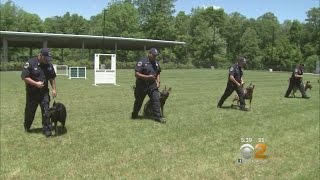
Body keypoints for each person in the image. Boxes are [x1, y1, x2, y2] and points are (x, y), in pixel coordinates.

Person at [21, 48, 57, 136]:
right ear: (40, 55)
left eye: (48, 59)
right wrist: (35, 83)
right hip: (32, 94)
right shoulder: (30, 63)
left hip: (44, 93)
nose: (47, 61)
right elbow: (24, 77)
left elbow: (52, 78)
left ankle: (47, 130)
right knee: (30, 112)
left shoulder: (49, 65)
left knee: (46, 111)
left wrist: (54, 89)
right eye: (45, 58)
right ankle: (27, 126)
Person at [131, 48, 165, 123]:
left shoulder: (156, 63)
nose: (155, 57)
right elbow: (136, 74)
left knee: (156, 100)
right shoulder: (142, 61)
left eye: (156, 55)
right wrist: (148, 77)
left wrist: (158, 81)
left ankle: (158, 117)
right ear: (149, 54)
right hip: (141, 85)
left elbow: (158, 72)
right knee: (139, 101)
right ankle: (134, 114)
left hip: (152, 85)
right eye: (153, 55)